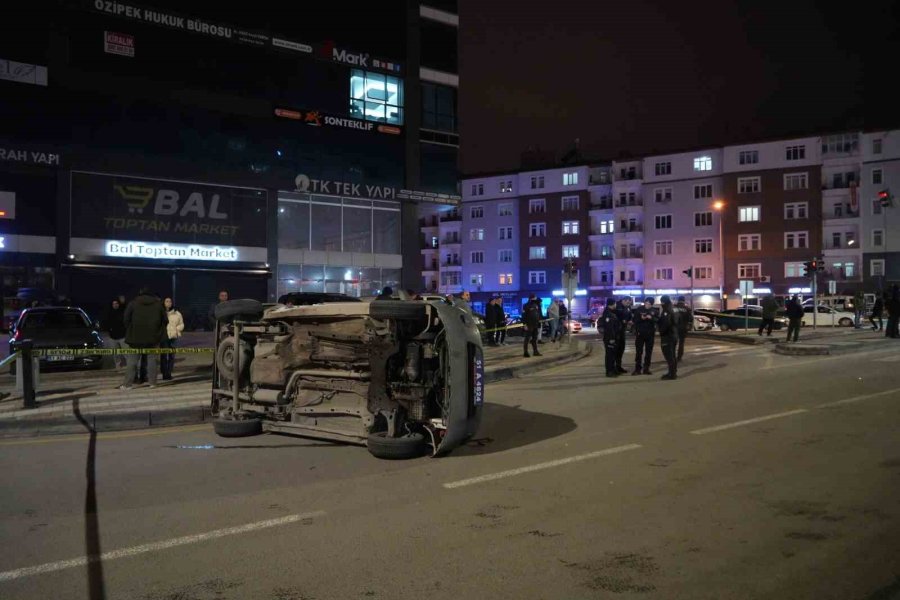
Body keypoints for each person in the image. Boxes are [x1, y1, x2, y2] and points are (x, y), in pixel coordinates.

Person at [119, 287, 167, 390]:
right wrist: (157, 332)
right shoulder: (158, 304)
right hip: (153, 338)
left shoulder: (133, 303)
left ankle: (128, 384)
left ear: (139, 294)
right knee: (152, 361)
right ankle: (153, 383)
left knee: (132, 361)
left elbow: (126, 319)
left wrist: (131, 330)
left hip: (135, 338)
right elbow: (165, 320)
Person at [161, 297, 184, 380]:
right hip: (164, 337)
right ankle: (164, 373)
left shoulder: (177, 313)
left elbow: (181, 324)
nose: (168, 303)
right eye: (167, 301)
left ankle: (169, 373)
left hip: (174, 337)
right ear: (163, 303)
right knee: (164, 356)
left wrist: (176, 330)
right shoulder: (161, 312)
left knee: (171, 356)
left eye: (170, 301)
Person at [632, 297, 656, 375]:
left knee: (648, 352)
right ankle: (637, 369)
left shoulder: (654, 311)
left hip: (650, 334)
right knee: (639, 352)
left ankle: (646, 368)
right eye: (646, 303)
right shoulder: (639, 309)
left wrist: (651, 318)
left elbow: (658, 320)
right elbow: (634, 320)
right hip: (640, 334)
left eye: (649, 304)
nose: (647, 305)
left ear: (652, 305)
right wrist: (641, 318)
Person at [101, 298, 127, 369]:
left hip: (122, 336)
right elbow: (105, 323)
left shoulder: (123, 312)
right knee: (115, 354)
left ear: (119, 304)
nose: (115, 305)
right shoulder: (109, 313)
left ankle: (128, 366)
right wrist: (108, 329)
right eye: (113, 304)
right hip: (113, 337)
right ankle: (118, 365)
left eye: (116, 303)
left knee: (126, 352)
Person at [657, 295, 679, 380]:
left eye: (662, 302)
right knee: (672, 355)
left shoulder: (667, 310)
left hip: (668, 336)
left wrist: (661, 331)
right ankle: (673, 372)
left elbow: (666, 323)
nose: (661, 303)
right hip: (674, 335)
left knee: (669, 356)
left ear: (664, 301)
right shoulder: (675, 308)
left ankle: (672, 374)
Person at [600, 298, 621, 377]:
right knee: (609, 355)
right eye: (615, 303)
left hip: (613, 337)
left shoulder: (611, 312)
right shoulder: (608, 314)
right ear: (612, 304)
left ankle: (613, 369)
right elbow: (610, 328)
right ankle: (609, 371)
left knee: (613, 355)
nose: (616, 305)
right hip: (610, 338)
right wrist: (612, 338)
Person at [614, 297, 633, 374]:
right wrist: (622, 320)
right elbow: (615, 317)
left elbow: (629, 316)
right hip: (616, 331)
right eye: (627, 302)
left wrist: (629, 320)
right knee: (616, 350)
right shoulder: (616, 306)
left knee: (621, 349)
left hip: (622, 331)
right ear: (623, 301)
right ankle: (614, 368)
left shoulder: (627, 307)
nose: (628, 304)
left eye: (629, 303)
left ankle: (619, 366)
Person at [674, 295, 692, 362]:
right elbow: (690, 318)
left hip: (674, 328)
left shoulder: (674, 307)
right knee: (681, 343)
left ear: (678, 300)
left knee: (673, 343)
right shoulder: (687, 309)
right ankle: (679, 357)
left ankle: (672, 356)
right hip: (683, 328)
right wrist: (688, 326)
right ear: (684, 300)